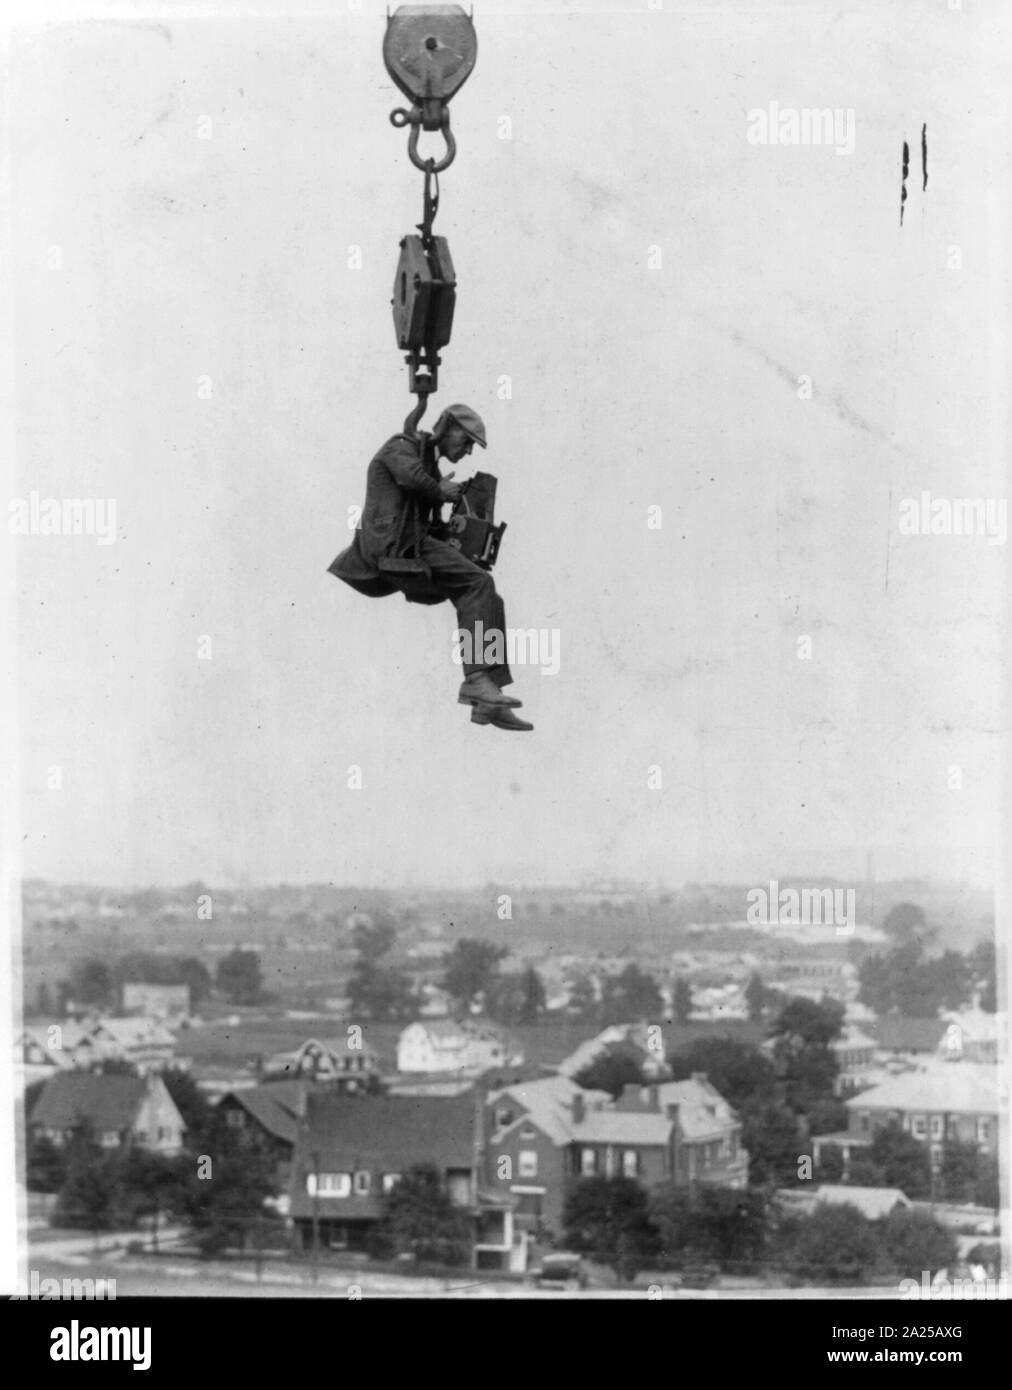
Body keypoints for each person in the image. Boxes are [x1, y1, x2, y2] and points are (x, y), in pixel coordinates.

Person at [328, 403, 533, 731]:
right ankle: (477, 680)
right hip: (393, 547)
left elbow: (424, 508)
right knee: (477, 584)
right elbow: (409, 477)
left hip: (412, 545)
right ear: (447, 426)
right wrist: (439, 491)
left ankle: (487, 698)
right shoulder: (403, 445)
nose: (466, 451)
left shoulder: (427, 464)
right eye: (465, 441)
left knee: (485, 593)